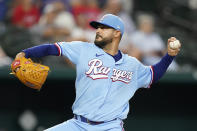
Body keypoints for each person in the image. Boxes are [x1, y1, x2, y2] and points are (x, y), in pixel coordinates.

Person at [14, 14, 181, 131]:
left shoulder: (132, 64)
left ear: (117, 33)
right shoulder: (83, 49)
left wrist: (169, 56)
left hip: (110, 127)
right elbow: (52, 48)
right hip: (78, 125)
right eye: (98, 27)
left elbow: (153, 75)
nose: (98, 30)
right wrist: (25, 53)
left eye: (104, 28)